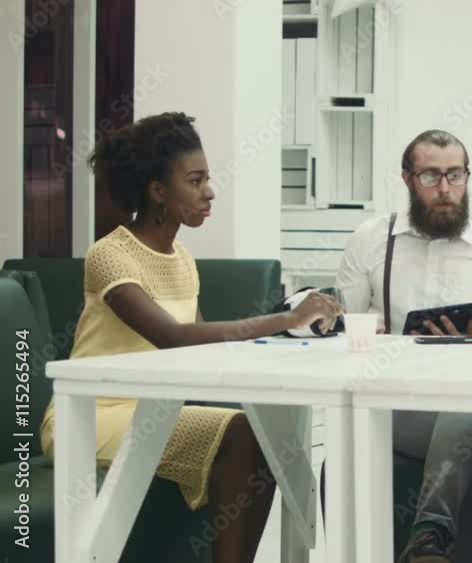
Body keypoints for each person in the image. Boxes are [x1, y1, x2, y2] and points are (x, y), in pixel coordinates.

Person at [38, 112, 342, 563]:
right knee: (243, 435)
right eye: (195, 180)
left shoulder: (182, 259)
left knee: (254, 434)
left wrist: (293, 331)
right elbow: (173, 338)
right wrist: (285, 318)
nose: (210, 191)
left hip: (153, 412)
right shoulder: (110, 255)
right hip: (89, 418)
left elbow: (201, 352)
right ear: (159, 191)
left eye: (208, 178)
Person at [334, 129, 472, 563]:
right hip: (395, 406)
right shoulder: (369, 241)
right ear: (407, 179)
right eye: (431, 176)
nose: (445, 189)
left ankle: (428, 538)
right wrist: (368, 337)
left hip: (469, 401)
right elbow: (341, 331)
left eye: (455, 175)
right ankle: (431, 542)